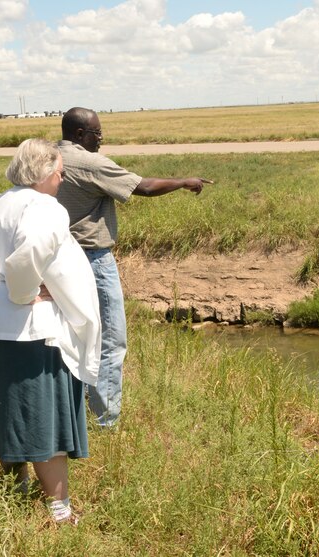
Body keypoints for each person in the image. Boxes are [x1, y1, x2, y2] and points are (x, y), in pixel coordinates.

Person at [0, 138, 102, 525]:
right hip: (24, 331)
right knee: (41, 416)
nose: (62, 181)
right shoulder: (45, 206)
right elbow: (28, 255)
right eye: (61, 173)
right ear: (45, 172)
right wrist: (23, 291)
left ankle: (18, 489)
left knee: (6, 412)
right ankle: (60, 512)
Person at [56, 106, 212, 427]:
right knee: (109, 339)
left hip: (54, 259)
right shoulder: (90, 162)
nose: (101, 140)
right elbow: (143, 187)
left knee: (70, 338)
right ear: (80, 135)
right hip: (91, 259)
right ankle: (104, 420)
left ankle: (69, 414)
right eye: (97, 134)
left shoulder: (47, 157)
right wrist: (183, 181)